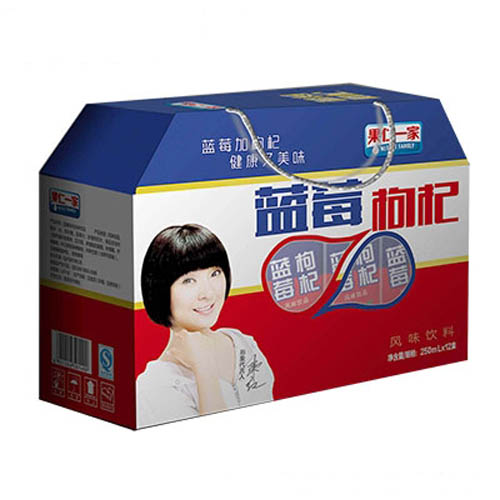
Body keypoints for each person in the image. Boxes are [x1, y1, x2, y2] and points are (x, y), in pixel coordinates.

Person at [137, 224, 274, 427]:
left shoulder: (240, 342)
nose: (208, 293)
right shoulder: (155, 385)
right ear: (160, 289)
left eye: (215, 273)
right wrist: (204, 369)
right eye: (189, 280)